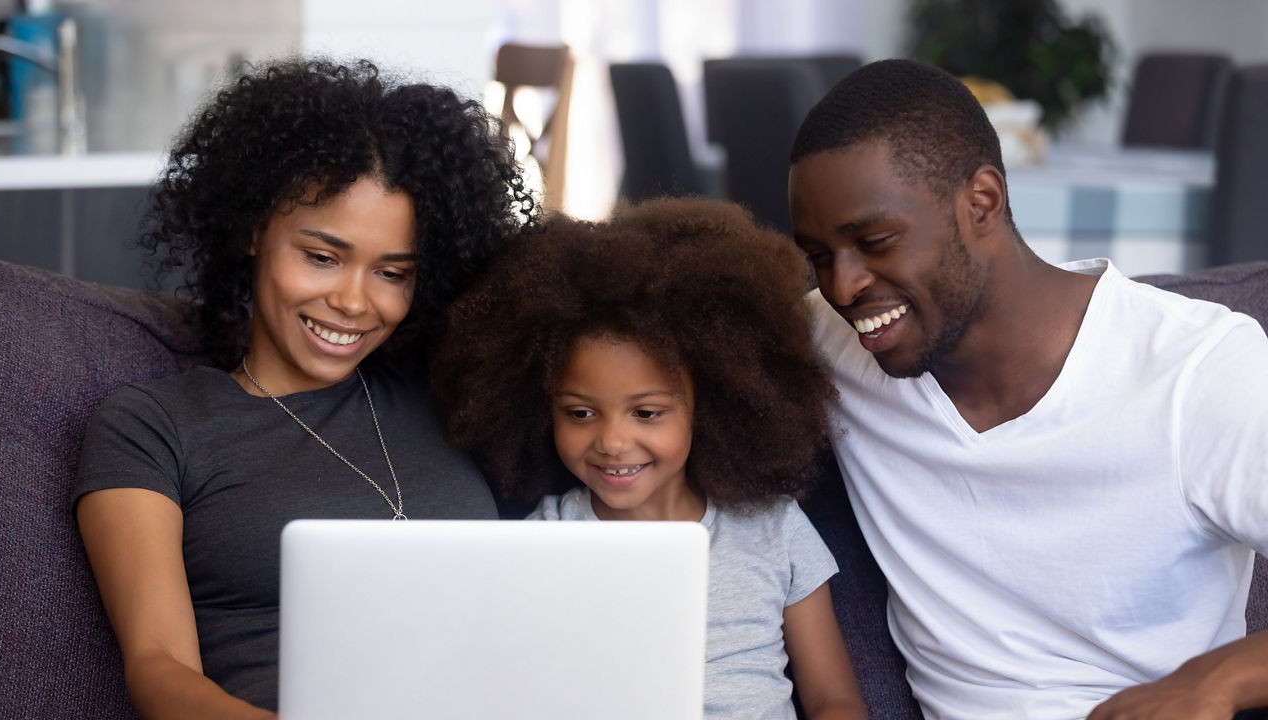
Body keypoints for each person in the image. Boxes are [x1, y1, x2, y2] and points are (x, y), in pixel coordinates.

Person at [788, 58, 1268, 720]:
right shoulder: (831, 346)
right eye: (818, 257)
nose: (841, 288)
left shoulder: (1196, 371)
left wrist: (1219, 680)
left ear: (981, 201)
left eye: (874, 241)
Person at [73, 57, 537, 719]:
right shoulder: (154, 427)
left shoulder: (450, 396)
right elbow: (159, 670)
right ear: (256, 230)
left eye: (392, 272)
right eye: (323, 257)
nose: (353, 301)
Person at [431, 196, 870, 720]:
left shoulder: (773, 528)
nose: (613, 442)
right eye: (580, 413)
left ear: (708, 404)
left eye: (646, 413)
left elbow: (834, 699)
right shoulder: (539, 543)